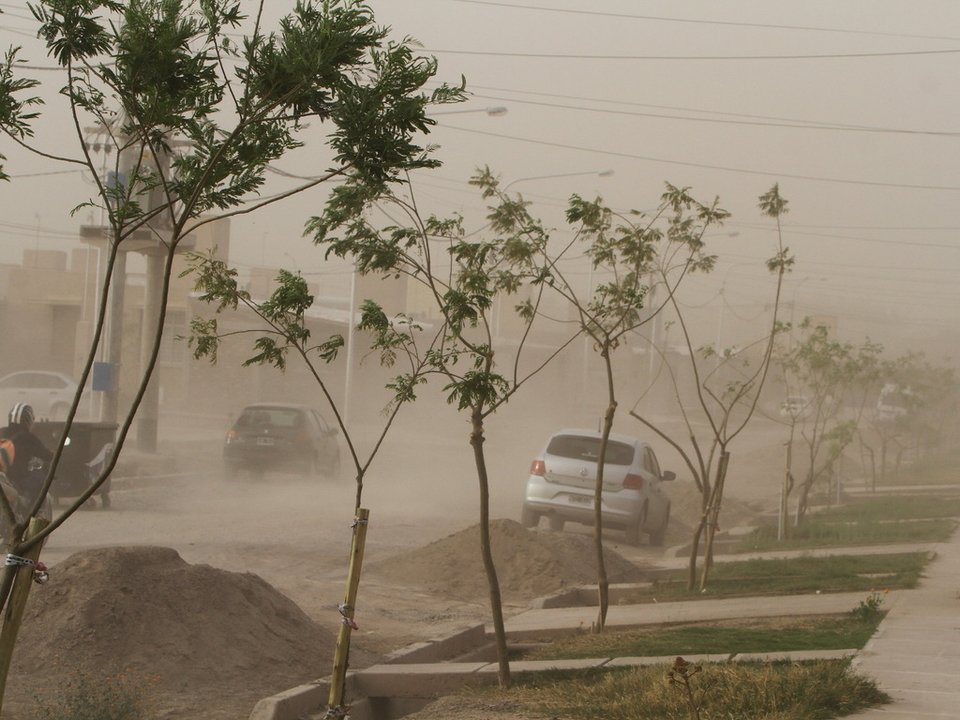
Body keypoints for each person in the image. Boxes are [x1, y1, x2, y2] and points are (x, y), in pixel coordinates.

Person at [0, 403, 53, 511]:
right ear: (28, 421)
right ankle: (29, 508)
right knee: (39, 478)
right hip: (16, 478)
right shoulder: (28, 437)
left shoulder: (1, 431)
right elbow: (48, 456)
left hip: (3, 476)